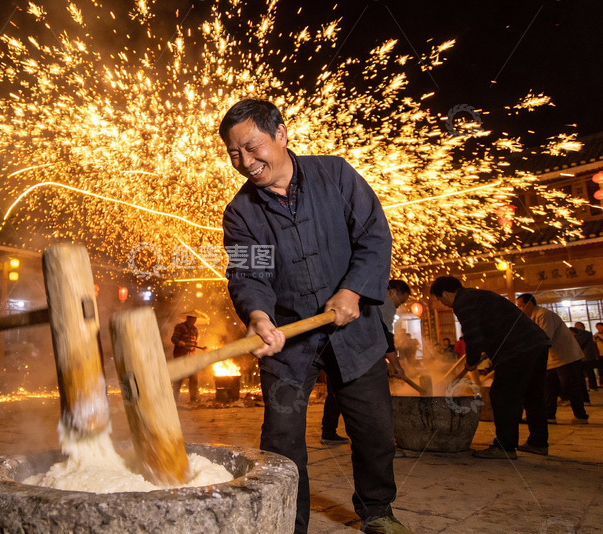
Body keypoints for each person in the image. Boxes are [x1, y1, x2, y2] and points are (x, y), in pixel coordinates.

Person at [220, 99, 409, 534]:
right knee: (281, 440)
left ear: (281, 134)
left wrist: (353, 290)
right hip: (289, 341)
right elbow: (249, 274)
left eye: (252, 147)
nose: (245, 162)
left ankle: (377, 510)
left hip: (355, 333)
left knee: (373, 430)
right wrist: (259, 316)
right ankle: (289, 523)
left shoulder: (335, 175)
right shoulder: (241, 212)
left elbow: (374, 236)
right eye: (234, 154)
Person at [429, 276, 550, 459]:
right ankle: (538, 442)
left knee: (503, 396)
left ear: (445, 293)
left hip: (516, 348)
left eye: (440, 299)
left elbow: (473, 334)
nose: (443, 303)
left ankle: (504, 447)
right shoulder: (477, 295)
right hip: (537, 344)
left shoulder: (463, 302)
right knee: (533, 395)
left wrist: (472, 360)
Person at [321, 280, 409, 447]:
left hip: (339, 348)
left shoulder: (366, 294)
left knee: (335, 393)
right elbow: (386, 336)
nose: (398, 306)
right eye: (400, 301)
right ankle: (376, 446)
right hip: (357, 353)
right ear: (393, 292)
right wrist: (397, 366)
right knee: (367, 399)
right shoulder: (385, 302)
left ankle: (329, 432)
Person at [516, 294, 589, 424]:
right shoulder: (531, 318)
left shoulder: (543, 315)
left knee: (571, 387)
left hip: (566, 357)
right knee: (549, 388)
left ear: (530, 304)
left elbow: (545, 337)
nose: (519, 309)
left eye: (521, 306)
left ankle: (580, 416)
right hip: (551, 359)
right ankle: (549, 416)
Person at [171, 314, 199, 402]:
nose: (194, 320)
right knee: (179, 378)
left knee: (194, 378)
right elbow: (174, 338)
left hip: (191, 357)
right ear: (188, 318)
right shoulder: (180, 327)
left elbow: (195, 342)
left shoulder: (195, 329)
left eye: (195, 319)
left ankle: (193, 399)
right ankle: (174, 399)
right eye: (193, 318)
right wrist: (179, 342)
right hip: (181, 356)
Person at [573, 322, 600, 392]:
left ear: (580, 326)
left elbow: (579, 344)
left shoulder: (582, 334)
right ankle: (592, 386)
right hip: (588, 356)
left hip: (584, 356)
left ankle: (590, 387)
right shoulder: (588, 334)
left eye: (576, 326)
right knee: (589, 372)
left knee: (586, 372)